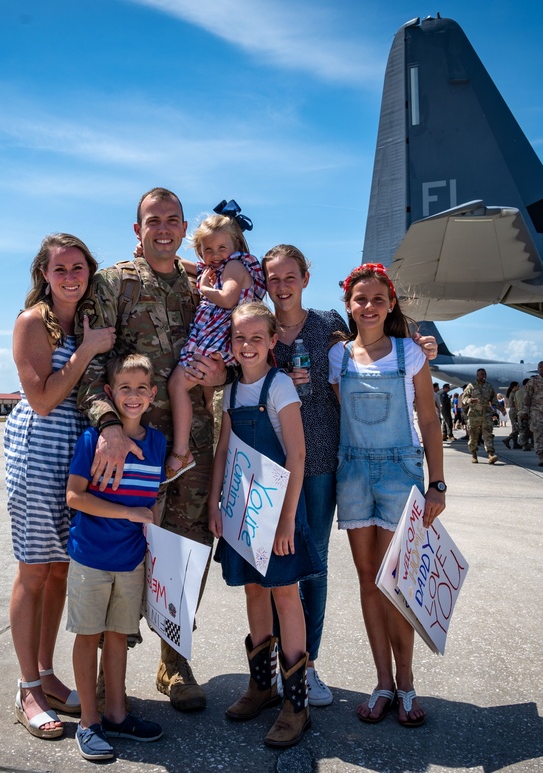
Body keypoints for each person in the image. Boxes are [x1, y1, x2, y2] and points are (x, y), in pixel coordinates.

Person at [77, 187, 226, 713]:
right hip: (131, 446)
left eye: (173, 220)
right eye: (152, 220)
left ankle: (174, 659)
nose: (163, 228)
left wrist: (223, 372)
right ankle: (103, 670)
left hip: (192, 447)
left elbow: (230, 345)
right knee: (117, 548)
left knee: (187, 551)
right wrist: (110, 428)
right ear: (137, 229)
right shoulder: (113, 282)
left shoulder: (204, 285)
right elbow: (90, 367)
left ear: (185, 228)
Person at [4, 233, 116, 741]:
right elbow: (44, 400)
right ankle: (27, 687)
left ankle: (47, 673)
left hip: (76, 450)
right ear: (44, 276)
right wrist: (89, 349)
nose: (71, 276)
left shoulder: (85, 317)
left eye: (78, 267)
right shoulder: (33, 322)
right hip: (38, 446)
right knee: (32, 570)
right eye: (60, 269)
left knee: (58, 572)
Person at [328, 263, 446, 728]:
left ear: (391, 303)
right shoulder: (337, 357)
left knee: (399, 582)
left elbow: (431, 421)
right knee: (367, 578)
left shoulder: (411, 355)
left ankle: (407, 683)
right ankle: (381, 683)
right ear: (349, 306)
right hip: (353, 472)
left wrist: (437, 485)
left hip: (402, 473)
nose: (369, 306)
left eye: (378, 299)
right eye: (361, 299)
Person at [208, 302, 323, 748]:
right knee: (254, 591)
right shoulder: (232, 392)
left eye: (257, 338)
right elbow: (222, 451)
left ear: (273, 341)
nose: (248, 345)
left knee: (285, 595)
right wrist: (218, 503)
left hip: (278, 512)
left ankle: (297, 705)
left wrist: (287, 522)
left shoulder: (279, 389)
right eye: (240, 338)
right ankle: (262, 686)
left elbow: (297, 454)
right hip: (242, 508)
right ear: (231, 344)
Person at [66, 354, 166, 760]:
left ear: (153, 394)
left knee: (118, 637)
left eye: (142, 388)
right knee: (89, 636)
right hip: (91, 556)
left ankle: (117, 714)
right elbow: (75, 495)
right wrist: (127, 513)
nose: (134, 395)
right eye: (125, 388)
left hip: (132, 560)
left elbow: (153, 500)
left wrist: (155, 544)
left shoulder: (157, 443)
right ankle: (88, 722)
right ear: (110, 393)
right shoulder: (92, 440)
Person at [261, 244, 349, 707]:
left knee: (313, 566)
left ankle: (307, 664)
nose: (281, 285)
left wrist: (415, 343)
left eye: (289, 276)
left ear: (305, 278)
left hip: (318, 463)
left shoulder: (328, 323)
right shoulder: (260, 328)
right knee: (276, 570)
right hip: (270, 464)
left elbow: (372, 346)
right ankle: (277, 664)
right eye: (273, 278)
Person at [166, 201, 266, 482]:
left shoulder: (233, 265)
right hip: (216, 340)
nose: (214, 255)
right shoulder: (224, 265)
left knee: (177, 385)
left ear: (235, 244)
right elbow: (194, 268)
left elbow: (228, 298)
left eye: (221, 248)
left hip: (213, 341)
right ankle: (203, 444)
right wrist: (170, 261)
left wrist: (207, 289)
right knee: (206, 398)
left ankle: (182, 451)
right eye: (207, 250)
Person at [461, 369, 498, 464]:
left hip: (486, 414)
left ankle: (490, 454)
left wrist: (500, 409)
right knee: (473, 436)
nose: (483, 376)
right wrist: (470, 400)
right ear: (477, 375)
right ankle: (474, 454)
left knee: (488, 435)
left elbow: (494, 400)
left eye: (485, 374)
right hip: (474, 415)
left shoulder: (489, 386)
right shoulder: (471, 386)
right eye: (481, 374)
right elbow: (464, 398)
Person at [502, 381, 520, 448]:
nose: (519, 387)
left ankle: (515, 444)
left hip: (512, 411)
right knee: (517, 428)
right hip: (515, 411)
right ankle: (507, 439)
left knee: (514, 428)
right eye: (518, 386)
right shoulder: (514, 394)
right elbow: (516, 404)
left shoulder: (511, 393)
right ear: (515, 387)